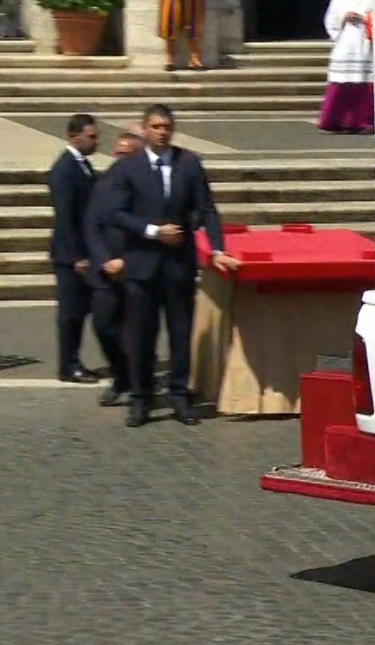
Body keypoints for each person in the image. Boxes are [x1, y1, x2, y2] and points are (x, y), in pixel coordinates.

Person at [106, 104, 240, 427]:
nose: (162, 132)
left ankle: (180, 395)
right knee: (142, 335)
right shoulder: (129, 168)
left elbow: (206, 208)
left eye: (166, 126)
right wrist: (153, 231)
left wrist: (217, 248)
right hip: (142, 265)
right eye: (155, 126)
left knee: (181, 334)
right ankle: (141, 398)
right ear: (144, 129)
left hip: (178, 265)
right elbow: (116, 212)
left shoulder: (189, 163)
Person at [83, 131, 146, 407]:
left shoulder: (148, 186)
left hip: (135, 268)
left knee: (137, 332)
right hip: (105, 270)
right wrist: (103, 258)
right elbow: (92, 225)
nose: (120, 158)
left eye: (127, 154)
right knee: (104, 326)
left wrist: (126, 261)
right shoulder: (103, 183)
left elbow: (151, 230)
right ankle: (121, 375)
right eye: (118, 153)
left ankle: (137, 383)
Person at [45, 114, 103, 384]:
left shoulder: (83, 166)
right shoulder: (64, 170)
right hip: (71, 255)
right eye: (91, 137)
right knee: (71, 312)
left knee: (81, 311)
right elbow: (66, 216)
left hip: (83, 251)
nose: (96, 142)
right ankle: (68, 364)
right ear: (73, 136)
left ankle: (74, 360)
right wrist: (77, 255)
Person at [318, 0, 375, 134]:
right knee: (340, 83)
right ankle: (335, 120)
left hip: (364, 43)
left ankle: (362, 122)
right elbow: (330, 18)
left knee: (364, 84)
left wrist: (367, 19)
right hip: (345, 44)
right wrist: (343, 17)